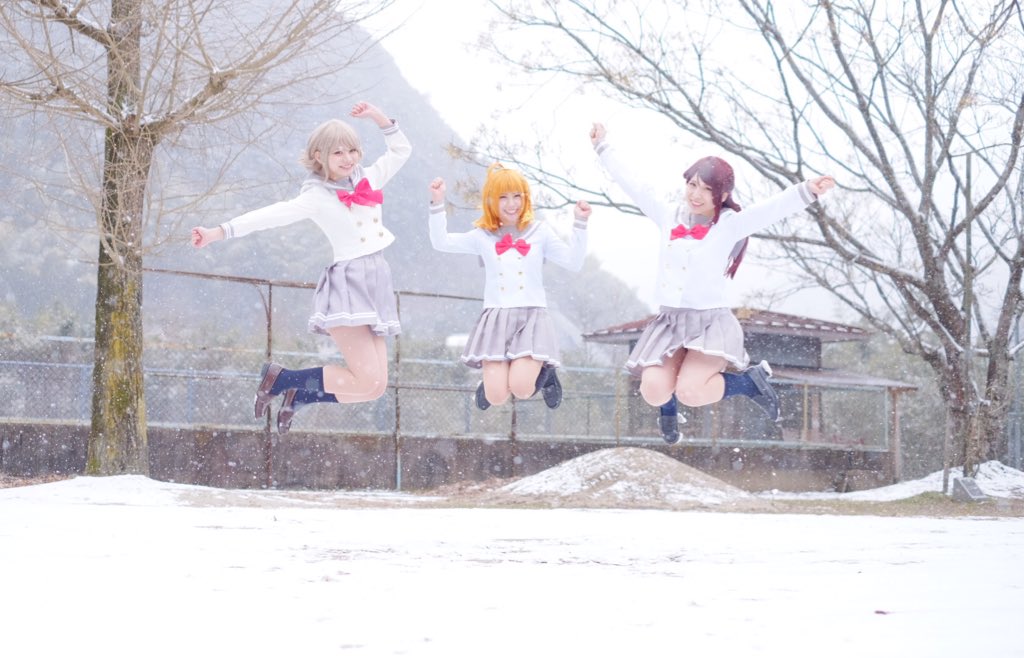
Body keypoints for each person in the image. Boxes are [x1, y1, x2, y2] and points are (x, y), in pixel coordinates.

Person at [590, 122, 835, 444]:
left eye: (706, 189)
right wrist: (603, 148)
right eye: (692, 185)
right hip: (670, 322)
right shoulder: (669, 217)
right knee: (652, 390)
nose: (696, 195)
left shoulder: (729, 225)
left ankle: (750, 383)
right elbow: (634, 186)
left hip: (708, 324)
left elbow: (770, 210)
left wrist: (807, 190)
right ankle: (668, 407)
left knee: (691, 391)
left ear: (723, 195)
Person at [191, 101, 411, 434]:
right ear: (319, 156)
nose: (348, 158)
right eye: (338, 152)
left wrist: (378, 117)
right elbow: (271, 215)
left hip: (376, 281)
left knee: (375, 387)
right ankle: (283, 378)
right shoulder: (316, 196)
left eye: (352, 150)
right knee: (367, 380)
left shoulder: (368, 178)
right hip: (349, 284)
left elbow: (401, 150)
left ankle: (300, 394)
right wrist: (219, 231)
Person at [427, 164, 591, 410]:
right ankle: (492, 382)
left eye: (517, 196)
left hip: (531, 318)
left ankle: (546, 373)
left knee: (522, 388)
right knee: (496, 397)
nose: (512, 203)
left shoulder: (540, 232)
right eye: (503, 197)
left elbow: (574, 262)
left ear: (525, 198)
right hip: (496, 319)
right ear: (491, 201)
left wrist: (580, 224)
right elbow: (441, 242)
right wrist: (437, 203)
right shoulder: (482, 236)